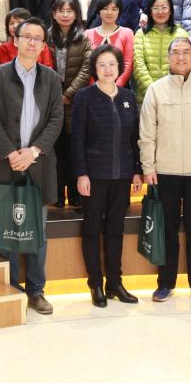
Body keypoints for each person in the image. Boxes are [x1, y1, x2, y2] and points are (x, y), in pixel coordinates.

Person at [0, 17, 63, 314]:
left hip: (38, 165)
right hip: (5, 164)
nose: (31, 42)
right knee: (7, 232)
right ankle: (11, 290)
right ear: (15, 40)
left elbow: (56, 119)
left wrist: (34, 151)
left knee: (37, 234)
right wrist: (11, 153)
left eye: (37, 38)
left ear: (43, 45)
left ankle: (36, 291)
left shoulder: (51, 78)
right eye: (26, 36)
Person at [139, 37, 191, 303]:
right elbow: (147, 133)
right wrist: (148, 166)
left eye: (186, 52)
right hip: (165, 171)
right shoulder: (155, 90)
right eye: (176, 52)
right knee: (168, 230)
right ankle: (165, 283)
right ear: (168, 57)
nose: (181, 57)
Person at [72, 44, 141, 306]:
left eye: (112, 64)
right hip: (94, 176)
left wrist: (136, 171)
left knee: (115, 229)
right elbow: (77, 139)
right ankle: (95, 284)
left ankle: (115, 283)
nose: (107, 69)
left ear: (119, 67)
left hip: (122, 175)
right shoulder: (85, 97)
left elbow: (134, 138)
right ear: (94, 69)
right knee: (92, 229)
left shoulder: (128, 96)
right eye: (102, 65)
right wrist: (81, 173)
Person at [48, 0, 92, 208]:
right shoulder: (46, 37)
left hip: (76, 103)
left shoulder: (83, 38)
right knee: (55, 151)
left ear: (76, 15)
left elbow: (86, 68)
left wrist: (69, 94)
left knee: (75, 149)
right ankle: (56, 194)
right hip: (51, 103)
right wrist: (56, 95)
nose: (65, 15)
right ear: (54, 14)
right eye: (61, 11)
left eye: (69, 11)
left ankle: (75, 195)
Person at [133, 0, 188, 103]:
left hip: (174, 97)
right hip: (146, 98)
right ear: (150, 11)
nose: (160, 12)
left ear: (170, 10)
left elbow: (185, 64)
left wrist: (170, 91)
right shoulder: (141, 34)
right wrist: (152, 91)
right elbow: (138, 64)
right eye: (155, 8)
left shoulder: (181, 34)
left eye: (164, 7)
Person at [85, 0, 135, 87]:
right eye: (105, 8)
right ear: (99, 10)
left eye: (114, 9)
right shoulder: (88, 34)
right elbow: (86, 64)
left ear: (119, 11)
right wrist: (95, 88)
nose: (109, 12)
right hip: (93, 88)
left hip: (119, 88)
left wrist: (115, 87)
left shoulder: (127, 33)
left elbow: (127, 64)